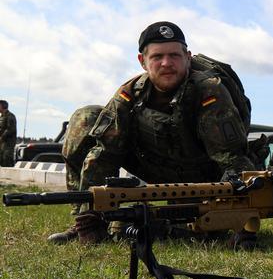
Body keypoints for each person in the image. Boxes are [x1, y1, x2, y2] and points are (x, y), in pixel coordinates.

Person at [48, 21, 257, 245]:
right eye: (157, 57)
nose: (166, 63)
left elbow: (233, 161)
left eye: (174, 56)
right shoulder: (129, 94)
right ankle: (86, 222)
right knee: (86, 118)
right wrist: (89, 217)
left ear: (187, 57)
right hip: (156, 168)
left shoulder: (208, 91)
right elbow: (104, 155)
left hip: (204, 178)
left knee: (188, 232)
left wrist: (238, 218)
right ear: (143, 62)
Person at [0, 100, 17, 167]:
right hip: (2, 143)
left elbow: (10, 129)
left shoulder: (10, 116)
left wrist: (2, 137)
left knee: (7, 159)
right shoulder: (2, 116)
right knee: (2, 159)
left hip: (8, 143)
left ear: (3, 106)